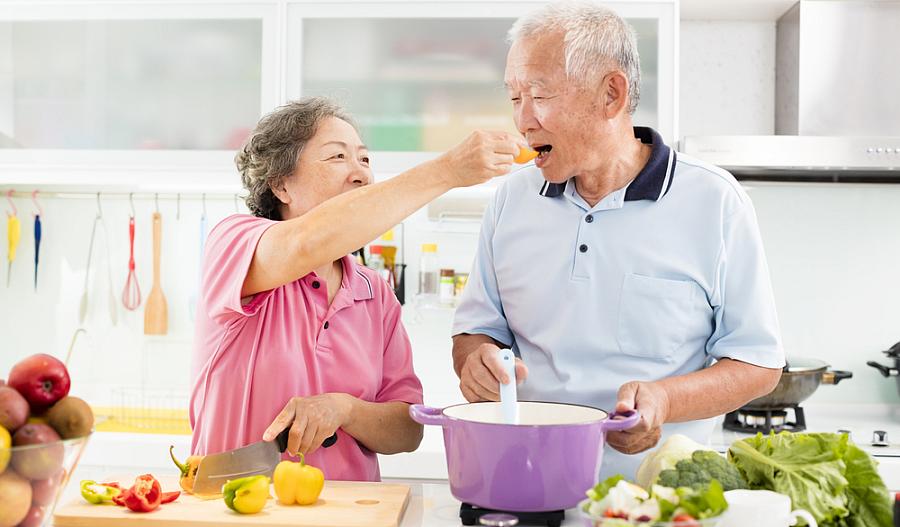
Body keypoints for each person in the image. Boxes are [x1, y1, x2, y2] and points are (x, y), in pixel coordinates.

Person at [451, 1, 785, 478]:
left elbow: (757, 362)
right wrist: (475, 359)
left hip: (659, 497)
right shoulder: (511, 199)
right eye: (514, 98)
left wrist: (665, 400)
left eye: (539, 95)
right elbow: (476, 331)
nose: (523, 120)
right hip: (526, 484)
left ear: (611, 94)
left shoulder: (715, 201)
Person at [190, 96, 526, 481]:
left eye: (364, 160)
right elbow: (306, 243)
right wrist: (447, 170)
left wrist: (346, 409)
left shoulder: (374, 292)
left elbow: (407, 429)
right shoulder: (235, 244)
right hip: (235, 512)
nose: (360, 174)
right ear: (281, 184)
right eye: (337, 157)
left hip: (353, 513)